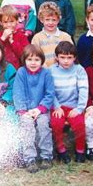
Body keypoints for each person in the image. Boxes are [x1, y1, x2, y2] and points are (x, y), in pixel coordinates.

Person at [13, 45, 55, 173]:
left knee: (43, 125)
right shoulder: (21, 72)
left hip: (41, 109)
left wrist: (40, 109)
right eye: (30, 59)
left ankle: (46, 156)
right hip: (25, 110)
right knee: (27, 126)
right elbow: (18, 92)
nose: (33, 63)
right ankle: (29, 158)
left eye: (36, 60)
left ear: (42, 61)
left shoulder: (46, 73)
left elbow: (50, 94)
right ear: (24, 60)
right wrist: (23, 111)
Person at [49, 41, 88, 164]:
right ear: (56, 58)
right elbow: (50, 91)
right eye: (62, 57)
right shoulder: (51, 70)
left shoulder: (79, 70)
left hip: (74, 106)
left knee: (79, 125)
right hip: (58, 106)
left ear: (74, 58)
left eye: (69, 58)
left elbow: (83, 89)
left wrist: (79, 108)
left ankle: (80, 151)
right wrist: (56, 106)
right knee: (56, 124)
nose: (66, 61)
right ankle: (61, 151)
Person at [32, 2, 73, 67]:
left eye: (54, 20)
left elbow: (71, 55)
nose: (50, 23)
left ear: (58, 20)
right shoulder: (37, 38)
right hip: (43, 71)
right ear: (41, 20)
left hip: (61, 71)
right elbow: (34, 56)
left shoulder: (66, 37)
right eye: (47, 20)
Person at [0, 5, 29, 69]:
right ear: (1, 22)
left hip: (17, 70)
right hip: (0, 69)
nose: (9, 25)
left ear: (17, 21)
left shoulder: (22, 36)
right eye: (5, 22)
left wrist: (12, 42)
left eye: (12, 21)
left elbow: (24, 55)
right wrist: (3, 38)